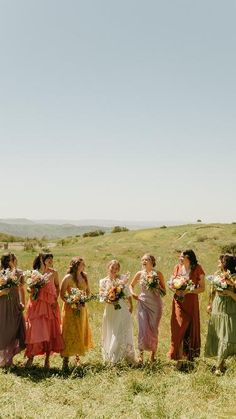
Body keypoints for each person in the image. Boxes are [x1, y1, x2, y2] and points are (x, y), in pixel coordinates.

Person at [25, 253, 64, 368]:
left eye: (52, 258)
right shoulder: (35, 272)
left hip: (50, 305)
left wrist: (55, 299)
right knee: (34, 329)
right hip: (36, 304)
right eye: (48, 258)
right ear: (42, 260)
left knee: (49, 330)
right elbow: (29, 287)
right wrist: (30, 289)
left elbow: (57, 286)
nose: (51, 260)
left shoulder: (54, 272)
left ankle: (47, 360)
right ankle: (30, 358)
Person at [167, 249, 205, 364]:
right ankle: (177, 357)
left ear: (189, 258)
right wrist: (175, 289)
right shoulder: (177, 267)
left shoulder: (197, 268)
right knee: (178, 328)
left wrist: (188, 291)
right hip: (178, 301)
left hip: (190, 302)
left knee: (188, 328)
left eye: (182, 257)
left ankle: (187, 358)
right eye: (179, 257)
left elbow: (202, 288)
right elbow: (171, 283)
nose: (180, 258)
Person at [130, 254, 166, 363]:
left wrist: (157, 285)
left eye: (147, 259)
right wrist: (133, 294)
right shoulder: (139, 274)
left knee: (153, 329)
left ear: (152, 261)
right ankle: (140, 355)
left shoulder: (158, 274)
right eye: (143, 259)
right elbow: (131, 285)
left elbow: (164, 292)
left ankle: (153, 355)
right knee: (143, 329)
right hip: (143, 303)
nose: (144, 261)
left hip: (156, 305)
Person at [205, 254, 236, 375]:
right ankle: (220, 365)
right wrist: (209, 304)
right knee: (218, 334)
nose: (218, 262)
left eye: (221, 260)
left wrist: (228, 290)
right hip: (218, 306)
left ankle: (219, 365)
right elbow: (212, 291)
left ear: (226, 263)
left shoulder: (234, 277)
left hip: (230, 308)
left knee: (227, 336)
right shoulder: (216, 274)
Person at [99, 259, 135, 364]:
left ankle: (123, 357)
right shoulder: (103, 281)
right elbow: (102, 297)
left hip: (122, 309)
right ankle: (112, 357)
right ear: (108, 267)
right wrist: (110, 300)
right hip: (110, 309)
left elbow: (128, 293)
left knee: (121, 331)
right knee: (112, 331)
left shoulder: (122, 279)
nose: (114, 270)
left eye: (116, 268)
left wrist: (131, 306)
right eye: (112, 267)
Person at [60, 257, 93, 369]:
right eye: (80, 264)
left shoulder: (85, 276)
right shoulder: (68, 277)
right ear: (75, 265)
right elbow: (62, 294)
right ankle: (65, 359)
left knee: (80, 331)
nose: (83, 266)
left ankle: (77, 358)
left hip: (82, 308)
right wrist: (71, 301)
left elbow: (88, 292)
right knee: (69, 332)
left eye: (83, 265)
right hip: (70, 309)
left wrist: (83, 300)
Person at [0, 253, 25, 367]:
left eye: (14, 258)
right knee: (5, 329)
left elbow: (21, 289)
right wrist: (1, 292)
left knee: (14, 329)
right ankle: (3, 359)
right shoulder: (0, 273)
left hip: (14, 303)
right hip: (3, 303)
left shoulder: (19, 273)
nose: (15, 260)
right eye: (12, 259)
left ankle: (9, 358)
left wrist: (22, 302)